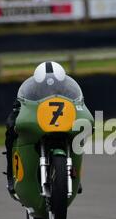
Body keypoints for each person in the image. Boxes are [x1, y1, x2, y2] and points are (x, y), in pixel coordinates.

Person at [4, 61, 68, 198]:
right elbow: (19, 104)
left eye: (56, 82)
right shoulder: (30, 88)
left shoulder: (67, 88)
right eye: (45, 83)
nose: (51, 85)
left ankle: (72, 174)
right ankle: (11, 175)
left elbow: (77, 102)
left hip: (61, 125)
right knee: (10, 130)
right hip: (38, 122)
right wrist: (17, 115)